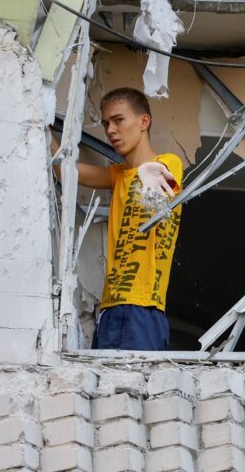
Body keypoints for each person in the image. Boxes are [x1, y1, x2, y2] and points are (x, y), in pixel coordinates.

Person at [51, 87, 183, 350]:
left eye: (118, 120)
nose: (110, 130)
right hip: (112, 308)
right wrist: (40, 118)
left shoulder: (168, 162)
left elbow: (161, 177)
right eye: (106, 123)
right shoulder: (118, 175)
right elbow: (62, 170)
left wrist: (146, 172)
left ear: (143, 121)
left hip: (140, 307)